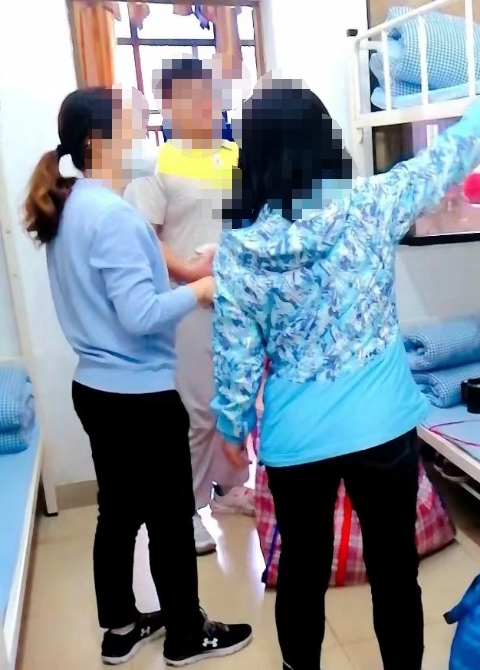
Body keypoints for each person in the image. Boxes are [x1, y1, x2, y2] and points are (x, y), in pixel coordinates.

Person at [211, 51, 480, 670]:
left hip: (296, 439)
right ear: (323, 143)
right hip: (381, 426)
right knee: (394, 569)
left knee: (300, 573)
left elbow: (236, 358)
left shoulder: (239, 249)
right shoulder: (371, 205)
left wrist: (230, 428)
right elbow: (452, 153)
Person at [23, 86, 253, 667]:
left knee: (119, 513)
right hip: (139, 396)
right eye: (132, 123)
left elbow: (116, 299)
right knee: (171, 520)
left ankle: (120, 628)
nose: (144, 132)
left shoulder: (72, 206)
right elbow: (140, 314)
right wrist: (200, 289)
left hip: (96, 389)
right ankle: (185, 637)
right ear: (98, 140)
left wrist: (188, 275)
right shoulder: (115, 216)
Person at [124, 57, 252, 557]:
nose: (205, 104)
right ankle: (189, 508)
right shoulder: (155, 164)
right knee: (197, 413)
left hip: (240, 302)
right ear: (169, 105)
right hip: (189, 306)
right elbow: (147, 240)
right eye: (192, 96)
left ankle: (231, 487)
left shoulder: (238, 155)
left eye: (211, 93)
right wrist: (195, 275)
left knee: (237, 401)